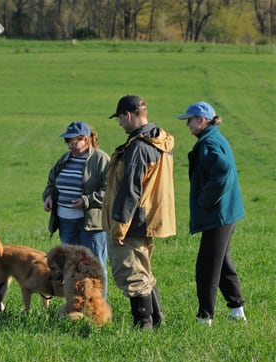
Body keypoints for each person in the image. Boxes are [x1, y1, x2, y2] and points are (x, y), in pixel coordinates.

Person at [102, 95, 176, 329]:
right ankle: (156, 320)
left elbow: (130, 189)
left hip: (132, 220)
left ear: (130, 114)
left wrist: (118, 228)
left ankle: (142, 324)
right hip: (150, 217)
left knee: (131, 273)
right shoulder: (159, 141)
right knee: (143, 270)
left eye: (120, 118)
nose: (120, 123)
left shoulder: (138, 147)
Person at [177, 101, 247, 326]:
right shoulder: (212, 138)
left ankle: (204, 317)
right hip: (225, 213)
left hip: (218, 215)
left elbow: (223, 170)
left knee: (206, 266)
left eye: (190, 119)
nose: (187, 124)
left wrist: (204, 200)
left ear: (202, 120)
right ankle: (237, 310)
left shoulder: (209, 142)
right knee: (222, 262)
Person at [42, 121, 110, 298]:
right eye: (68, 143)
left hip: (91, 224)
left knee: (94, 265)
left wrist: (86, 200)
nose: (71, 146)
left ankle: (98, 306)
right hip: (66, 222)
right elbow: (51, 182)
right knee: (71, 266)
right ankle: (76, 303)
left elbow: (109, 190)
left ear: (86, 140)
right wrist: (48, 196)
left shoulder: (101, 159)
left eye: (74, 143)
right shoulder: (65, 159)